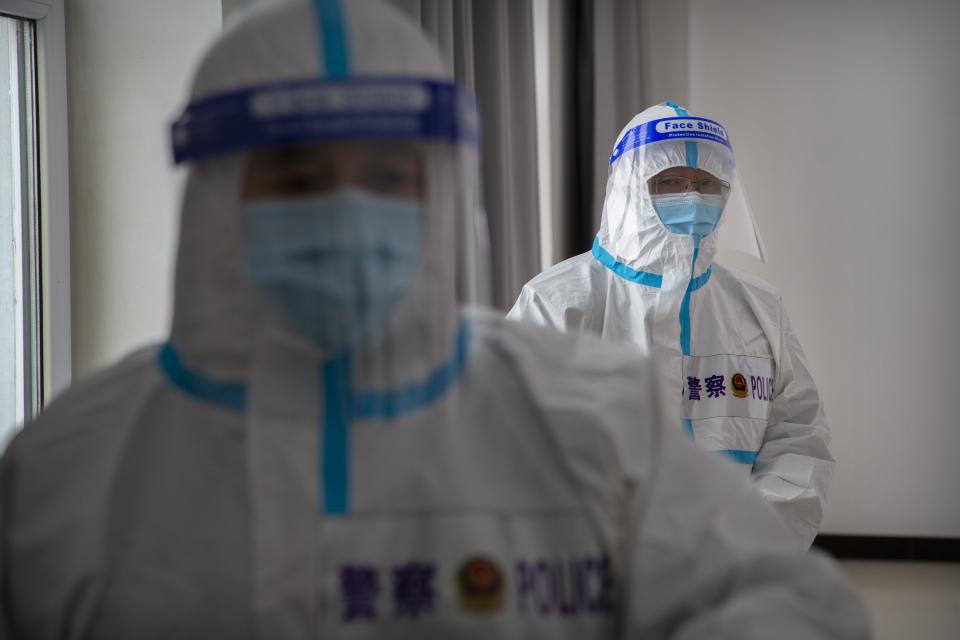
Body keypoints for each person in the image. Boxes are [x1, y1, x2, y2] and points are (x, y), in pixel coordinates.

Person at [0, 1, 868, 637]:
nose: (345, 211)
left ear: (445, 196)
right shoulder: (69, 472)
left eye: (388, 176)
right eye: (298, 179)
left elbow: (776, 593)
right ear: (215, 198)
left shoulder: (585, 411)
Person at [508, 102, 833, 548]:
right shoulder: (557, 302)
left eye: (708, 184)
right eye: (670, 182)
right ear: (628, 189)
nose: (694, 197)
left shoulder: (758, 307)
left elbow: (798, 438)